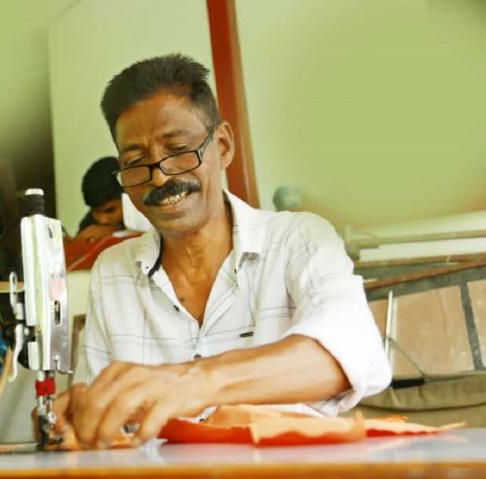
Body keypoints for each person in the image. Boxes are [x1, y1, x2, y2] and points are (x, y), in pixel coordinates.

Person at [52, 54, 391, 449]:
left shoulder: (298, 239)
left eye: (179, 149)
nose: (160, 177)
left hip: (287, 477)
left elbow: (354, 350)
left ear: (223, 146)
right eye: (136, 162)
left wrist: (194, 381)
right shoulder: (114, 271)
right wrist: (80, 418)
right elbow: (103, 417)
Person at [75, 157, 125, 243]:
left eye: (110, 210)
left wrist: (115, 235)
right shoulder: (90, 222)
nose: (102, 220)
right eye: (96, 212)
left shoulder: (146, 210)